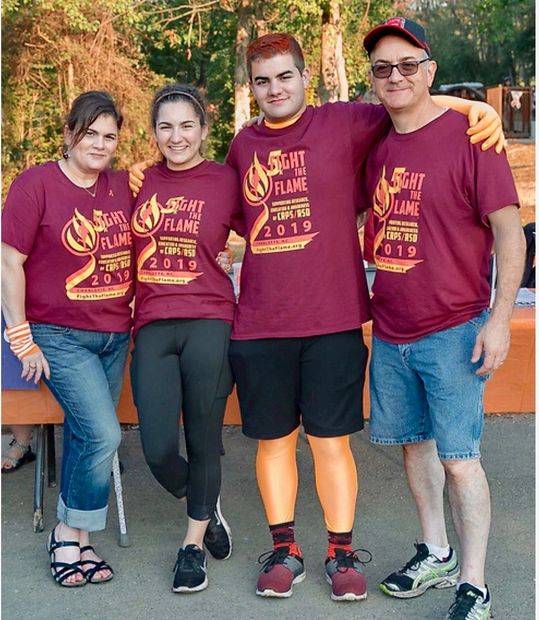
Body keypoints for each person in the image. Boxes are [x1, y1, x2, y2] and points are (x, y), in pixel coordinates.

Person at [129, 34, 503, 602]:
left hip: (333, 320)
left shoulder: (347, 123)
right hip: (259, 323)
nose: (275, 89)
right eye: (262, 80)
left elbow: (410, 100)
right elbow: (197, 192)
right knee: (273, 444)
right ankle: (285, 551)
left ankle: (341, 552)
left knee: (332, 444)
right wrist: (144, 173)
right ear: (250, 88)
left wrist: (476, 106)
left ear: (307, 78)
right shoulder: (241, 148)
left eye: (285, 76)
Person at [361, 17, 525, 619]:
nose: (396, 76)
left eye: (408, 64)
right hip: (392, 328)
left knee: (460, 458)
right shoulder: (373, 143)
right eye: (383, 68)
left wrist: (500, 317)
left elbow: (510, 232)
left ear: (430, 69)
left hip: (453, 328)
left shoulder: (470, 137)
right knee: (414, 448)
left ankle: (475, 583)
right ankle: (436, 553)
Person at [2, 91, 134, 587]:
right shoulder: (35, 183)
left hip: (114, 333)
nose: (99, 145)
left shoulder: (122, 185)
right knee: (104, 433)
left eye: (109, 136)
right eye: (90, 133)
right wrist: (22, 337)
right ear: (68, 134)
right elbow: (8, 260)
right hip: (58, 335)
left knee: (85, 434)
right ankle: (66, 531)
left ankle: (81, 542)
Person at [129, 83, 242, 593]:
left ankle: (191, 545)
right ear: (153, 133)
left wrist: (236, 255)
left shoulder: (227, 180)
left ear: (203, 130)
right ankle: (204, 507)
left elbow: (265, 232)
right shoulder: (137, 182)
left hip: (210, 320)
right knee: (155, 448)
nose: (177, 136)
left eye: (187, 126)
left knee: (203, 441)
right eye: (166, 126)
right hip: (152, 322)